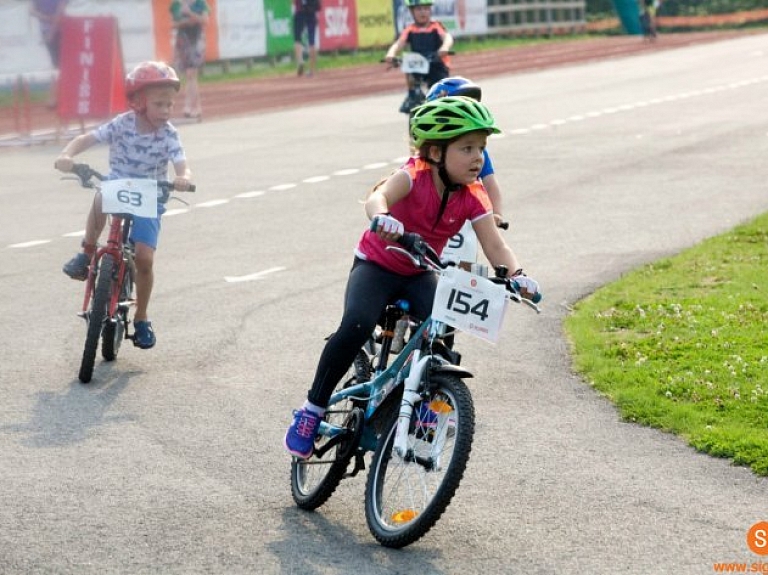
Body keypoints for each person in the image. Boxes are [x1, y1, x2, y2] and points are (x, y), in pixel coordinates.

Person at [284, 96, 541, 459]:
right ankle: (311, 411)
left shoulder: (473, 194)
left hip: (420, 272)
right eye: (467, 148)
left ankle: (423, 406)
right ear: (436, 151)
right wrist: (383, 217)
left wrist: (518, 276)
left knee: (441, 337)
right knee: (357, 324)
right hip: (377, 265)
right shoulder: (415, 173)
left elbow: (495, 246)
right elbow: (379, 196)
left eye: (481, 148)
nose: (477, 158)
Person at [54, 61, 194, 350]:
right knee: (100, 194)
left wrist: (182, 177)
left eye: (170, 104)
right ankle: (86, 252)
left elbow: (182, 164)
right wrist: (66, 155)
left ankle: (141, 318)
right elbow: (87, 138)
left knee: (144, 258)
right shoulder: (122, 124)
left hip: (150, 194)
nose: (167, 110)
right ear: (139, 102)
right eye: (159, 104)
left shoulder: (169, 134)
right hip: (118, 185)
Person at [425, 76, 506, 228]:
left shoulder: (477, 155)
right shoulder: (422, 161)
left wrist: (497, 213)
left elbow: (489, 182)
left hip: (462, 219)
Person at [384, 0, 453, 114]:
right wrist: (391, 54)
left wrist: (444, 47)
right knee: (408, 66)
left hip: (436, 64)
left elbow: (447, 37)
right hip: (419, 65)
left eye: (426, 9)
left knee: (440, 92)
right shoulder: (410, 29)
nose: (423, 12)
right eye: (419, 9)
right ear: (412, 11)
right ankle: (413, 94)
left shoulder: (436, 26)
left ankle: (443, 106)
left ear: (430, 10)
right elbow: (398, 43)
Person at [171, 0, 210, 119]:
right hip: (183, 40)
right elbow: (173, 24)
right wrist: (188, 21)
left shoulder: (200, 3)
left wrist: (189, 13)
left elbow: (205, 20)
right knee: (188, 75)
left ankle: (194, 107)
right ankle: (191, 106)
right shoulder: (176, 4)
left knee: (191, 73)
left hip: (196, 39)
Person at [30, 0, 68, 108]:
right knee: (59, 65)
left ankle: (55, 97)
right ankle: (55, 97)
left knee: (59, 65)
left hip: (54, 30)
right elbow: (32, 11)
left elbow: (33, 11)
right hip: (58, 30)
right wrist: (51, 25)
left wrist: (49, 24)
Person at [293, 0, 321, 77]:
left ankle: (300, 62)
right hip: (311, 13)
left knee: (297, 39)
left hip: (300, 12)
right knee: (312, 42)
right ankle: (311, 70)